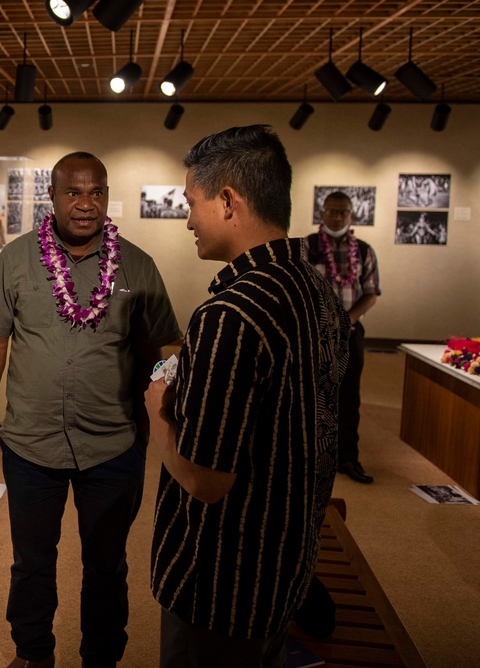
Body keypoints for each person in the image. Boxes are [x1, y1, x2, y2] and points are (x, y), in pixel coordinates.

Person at [145, 125, 350, 668]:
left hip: (222, 590)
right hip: (286, 569)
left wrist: (156, 415)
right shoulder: (315, 286)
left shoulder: (230, 313)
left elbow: (206, 480)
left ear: (229, 201)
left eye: (192, 203)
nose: (188, 219)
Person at [0, 152, 181, 668]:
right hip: (30, 443)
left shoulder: (138, 265)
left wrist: (160, 422)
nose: (86, 204)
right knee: (32, 563)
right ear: (53, 197)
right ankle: (33, 653)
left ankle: (101, 658)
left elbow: (163, 353)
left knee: (106, 565)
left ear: (106, 196)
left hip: (113, 446)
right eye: (73, 193)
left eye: (96, 192)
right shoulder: (17, 260)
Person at [307, 191, 381, 484]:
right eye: (332, 211)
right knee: (313, 394)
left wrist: (345, 320)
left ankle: (348, 457)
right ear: (322, 213)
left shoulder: (363, 250)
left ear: (352, 216)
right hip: (314, 333)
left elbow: (371, 292)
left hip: (350, 332)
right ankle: (311, 458)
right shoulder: (307, 247)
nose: (338, 217)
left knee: (349, 396)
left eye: (344, 212)